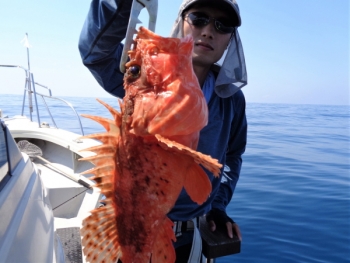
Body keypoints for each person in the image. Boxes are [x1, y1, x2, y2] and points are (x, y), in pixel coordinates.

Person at [79, 0, 247, 262]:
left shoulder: (231, 100)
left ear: (230, 39)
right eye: (199, 18)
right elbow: (96, 54)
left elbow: (232, 156)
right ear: (181, 22)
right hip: (125, 221)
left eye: (222, 25)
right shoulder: (147, 77)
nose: (208, 31)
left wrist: (218, 206)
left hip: (192, 230)